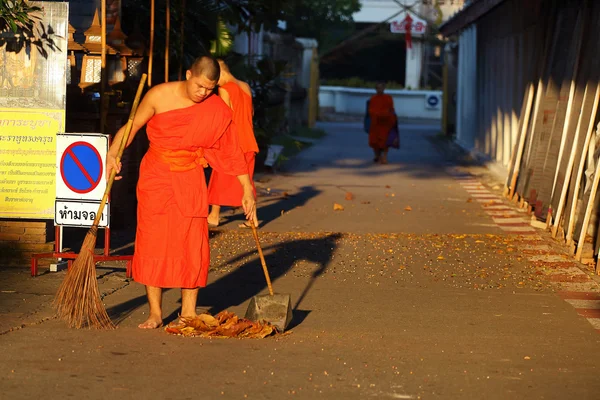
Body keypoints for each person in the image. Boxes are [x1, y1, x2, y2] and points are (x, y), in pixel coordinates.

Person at [106, 56, 257, 329]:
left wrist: (247, 188)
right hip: (157, 175)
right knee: (153, 240)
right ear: (188, 74)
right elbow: (131, 128)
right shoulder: (159, 95)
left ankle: (188, 311)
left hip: (190, 176)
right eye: (199, 86)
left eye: (210, 89)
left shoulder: (216, 108)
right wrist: (113, 155)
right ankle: (155, 312)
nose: (203, 93)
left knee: (192, 243)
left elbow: (232, 150)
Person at [207, 59, 259, 228]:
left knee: (219, 176)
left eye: (215, 78)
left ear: (221, 72)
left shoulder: (224, 89)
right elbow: (251, 112)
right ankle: (253, 219)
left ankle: (214, 215)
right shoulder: (245, 86)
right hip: (249, 139)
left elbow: (224, 117)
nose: (215, 83)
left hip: (233, 141)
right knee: (247, 181)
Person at [368, 83, 397, 164]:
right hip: (376, 122)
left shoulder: (388, 98)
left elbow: (391, 109)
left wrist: (390, 117)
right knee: (374, 141)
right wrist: (378, 114)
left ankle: (384, 157)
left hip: (386, 123)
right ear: (375, 89)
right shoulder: (373, 98)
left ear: (384, 88)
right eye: (378, 88)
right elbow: (370, 110)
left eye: (381, 88)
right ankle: (377, 156)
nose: (379, 90)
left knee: (385, 141)